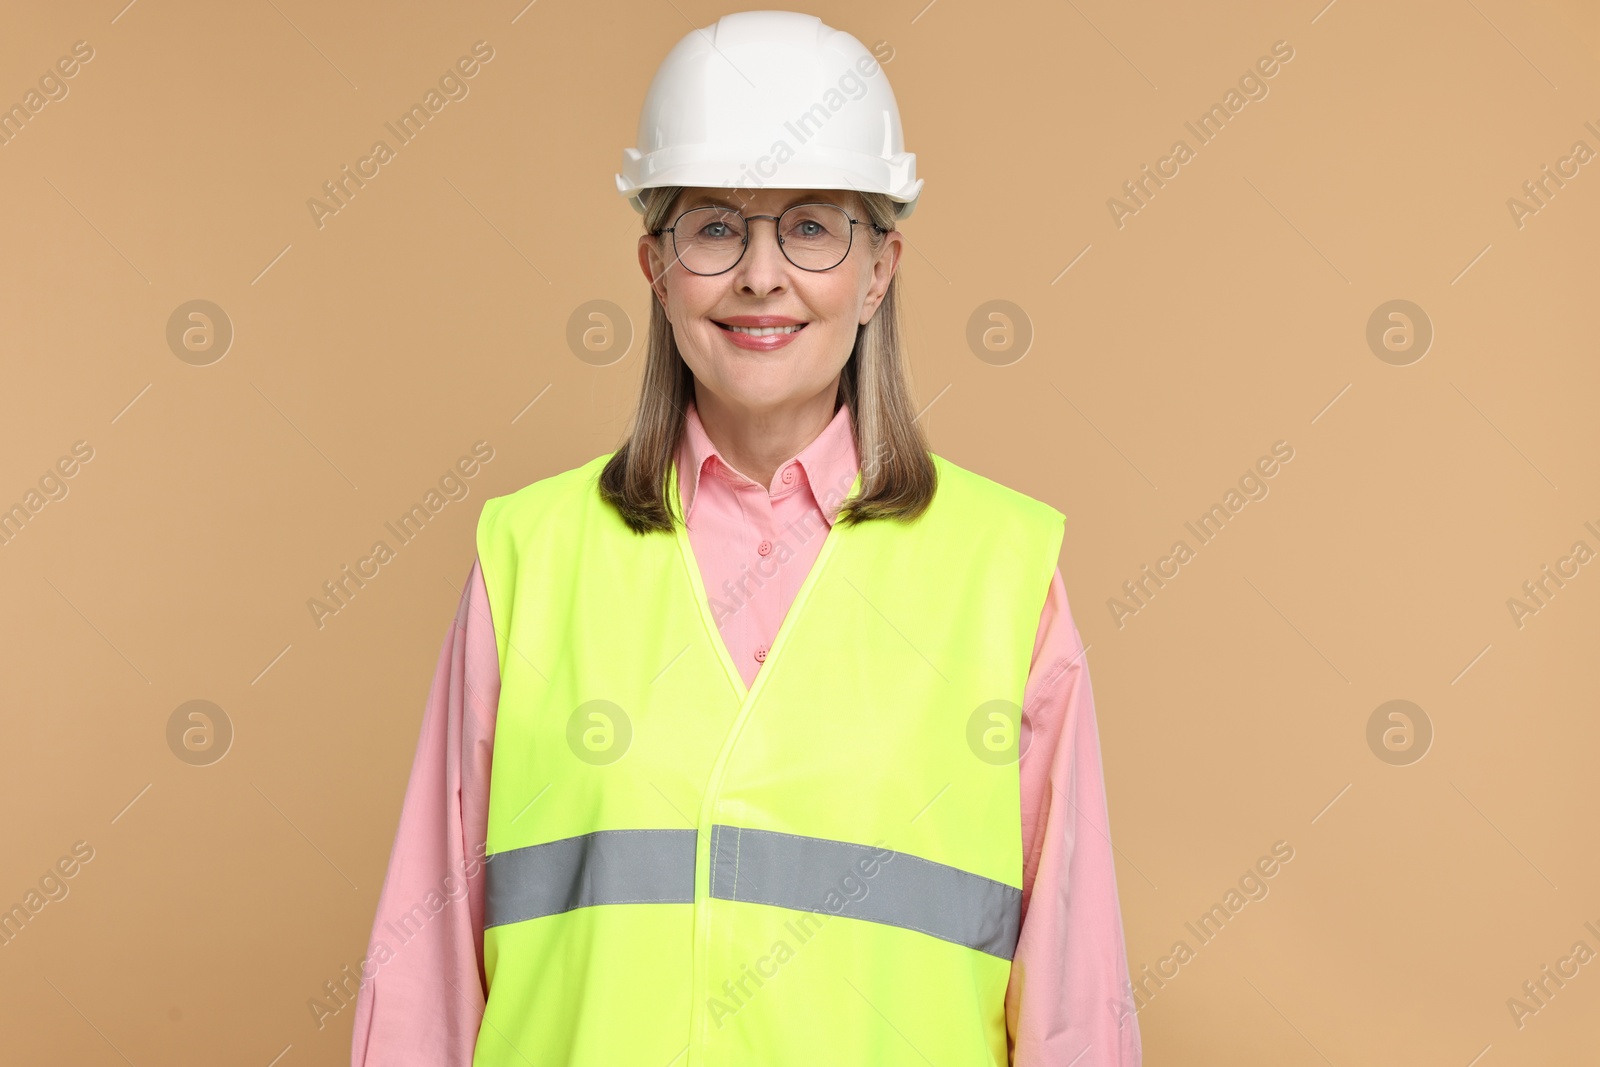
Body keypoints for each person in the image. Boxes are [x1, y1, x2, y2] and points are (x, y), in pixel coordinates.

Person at [349, 11, 1140, 1066]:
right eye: (716, 227)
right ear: (656, 266)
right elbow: (422, 984)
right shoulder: (530, 560)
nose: (761, 275)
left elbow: (1075, 999)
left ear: (878, 270)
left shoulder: (1001, 573)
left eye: (811, 226)